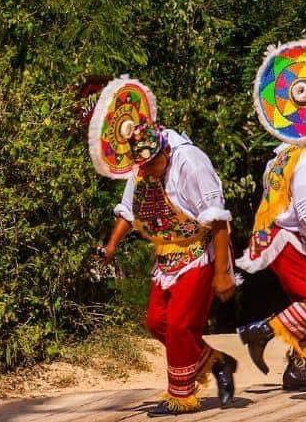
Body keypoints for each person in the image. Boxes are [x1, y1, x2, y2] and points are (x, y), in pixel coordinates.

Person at [98, 123, 237, 417]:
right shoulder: (143, 166)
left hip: (203, 251)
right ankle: (215, 361)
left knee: (178, 324)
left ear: (167, 151)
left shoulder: (193, 164)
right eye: (143, 168)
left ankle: (180, 395)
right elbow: (129, 208)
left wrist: (223, 271)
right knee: (156, 321)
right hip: (170, 253)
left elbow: (219, 221)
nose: (147, 173)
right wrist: (110, 246)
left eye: (153, 165)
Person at [235, 136, 306, 391]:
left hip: (279, 235)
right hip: (286, 238)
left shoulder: (287, 153)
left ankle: (300, 367)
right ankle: (262, 331)